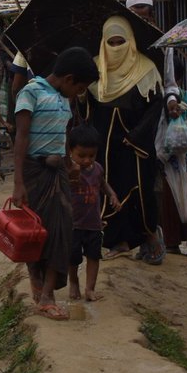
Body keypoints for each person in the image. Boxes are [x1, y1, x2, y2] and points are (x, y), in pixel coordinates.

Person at [12, 46, 100, 320]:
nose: (80, 94)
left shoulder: (65, 100)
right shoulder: (30, 92)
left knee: (62, 229)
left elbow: (61, 136)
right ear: (70, 78)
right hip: (33, 172)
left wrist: (69, 164)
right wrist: (17, 182)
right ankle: (36, 277)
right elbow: (21, 138)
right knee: (34, 231)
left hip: (58, 172)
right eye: (81, 87)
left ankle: (48, 295)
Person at [78, 15, 166, 264]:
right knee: (108, 188)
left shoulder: (146, 68)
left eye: (121, 42)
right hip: (105, 144)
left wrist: (136, 135)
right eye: (111, 42)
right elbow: (87, 111)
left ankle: (149, 235)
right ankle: (119, 241)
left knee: (140, 191)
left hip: (135, 144)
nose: (116, 48)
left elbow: (154, 107)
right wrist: (83, 96)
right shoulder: (95, 69)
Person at [66, 124, 121, 303]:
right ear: (70, 151)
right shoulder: (68, 170)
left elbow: (103, 184)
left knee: (94, 256)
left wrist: (112, 195)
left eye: (91, 156)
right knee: (73, 258)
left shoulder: (97, 168)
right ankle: (73, 281)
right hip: (73, 224)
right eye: (81, 156)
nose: (87, 160)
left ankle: (90, 289)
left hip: (93, 224)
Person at [157, 60, 187, 256]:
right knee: (170, 200)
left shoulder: (186, 97)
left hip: (185, 155)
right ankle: (173, 241)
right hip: (166, 155)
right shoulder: (159, 98)